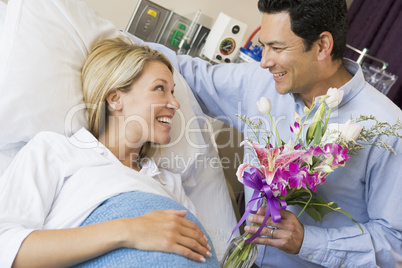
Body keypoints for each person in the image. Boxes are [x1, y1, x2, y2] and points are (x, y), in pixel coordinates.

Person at [126, 0, 402, 267]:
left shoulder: (388, 130)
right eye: (263, 46)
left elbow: (395, 243)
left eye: (277, 47)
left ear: (322, 46)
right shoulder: (258, 83)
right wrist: (102, 35)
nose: (264, 61)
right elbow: (191, 74)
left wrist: (308, 241)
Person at [0, 37, 218, 267]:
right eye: (159, 89)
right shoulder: (56, 152)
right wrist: (129, 229)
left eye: (172, 92)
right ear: (115, 99)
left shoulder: (171, 184)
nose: (175, 104)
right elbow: (5, 245)